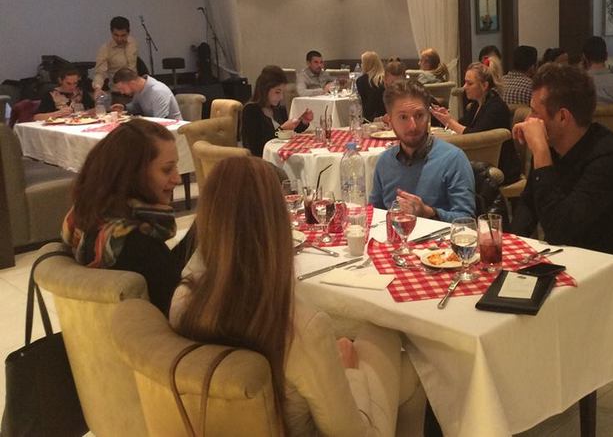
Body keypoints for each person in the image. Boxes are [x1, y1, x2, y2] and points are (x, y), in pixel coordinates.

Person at [171, 156, 423, 436]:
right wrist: (348, 369)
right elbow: (352, 433)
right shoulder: (300, 327)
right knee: (389, 336)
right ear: (278, 224)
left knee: (405, 371)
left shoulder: (183, 299)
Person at [511, 64, 613, 284]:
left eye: (535, 112)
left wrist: (541, 153)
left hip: (609, 279)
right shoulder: (555, 147)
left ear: (563, 117)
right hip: (567, 264)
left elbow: (559, 231)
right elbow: (528, 204)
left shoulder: (609, 159)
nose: (529, 121)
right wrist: (507, 251)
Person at [62, 119, 187, 315]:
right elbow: (179, 313)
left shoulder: (85, 220)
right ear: (133, 175)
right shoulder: (135, 245)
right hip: (147, 331)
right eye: (167, 169)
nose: (177, 178)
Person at [370, 80, 475, 222]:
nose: (412, 126)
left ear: (428, 116)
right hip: (395, 235)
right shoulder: (384, 162)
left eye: (419, 115)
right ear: (389, 120)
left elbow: (467, 220)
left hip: (440, 236)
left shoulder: (453, 159)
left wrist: (428, 212)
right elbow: (374, 214)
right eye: (403, 117)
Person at [430, 62, 521, 185]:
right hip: (483, 163)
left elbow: (474, 136)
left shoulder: (496, 108)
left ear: (484, 85)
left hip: (500, 169)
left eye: (469, 83)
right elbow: (462, 126)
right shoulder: (476, 105)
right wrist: (446, 117)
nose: (464, 87)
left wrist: (449, 122)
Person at [242, 66, 313, 156]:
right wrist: (282, 129)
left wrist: (303, 121)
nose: (281, 97)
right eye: (277, 92)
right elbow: (257, 146)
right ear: (265, 89)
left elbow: (290, 131)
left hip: (280, 155)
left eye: (283, 92)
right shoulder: (251, 110)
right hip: (262, 159)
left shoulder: (278, 108)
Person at [111, 68, 182, 120]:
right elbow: (137, 107)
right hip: (154, 126)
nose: (122, 92)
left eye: (122, 89)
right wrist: (124, 107)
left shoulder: (158, 91)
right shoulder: (139, 90)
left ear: (132, 83)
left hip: (173, 129)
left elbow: (161, 119)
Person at [93, 16, 138, 97]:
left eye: (123, 35)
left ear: (128, 33)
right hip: (119, 93)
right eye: (116, 35)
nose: (119, 39)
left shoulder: (133, 43)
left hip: (136, 91)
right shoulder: (105, 49)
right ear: (111, 32)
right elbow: (100, 73)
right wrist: (97, 88)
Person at [356, 51, 386, 121]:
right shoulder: (385, 78)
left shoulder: (361, 81)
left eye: (362, 63)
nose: (361, 65)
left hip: (370, 119)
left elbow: (363, 103)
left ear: (366, 65)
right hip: (387, 116)